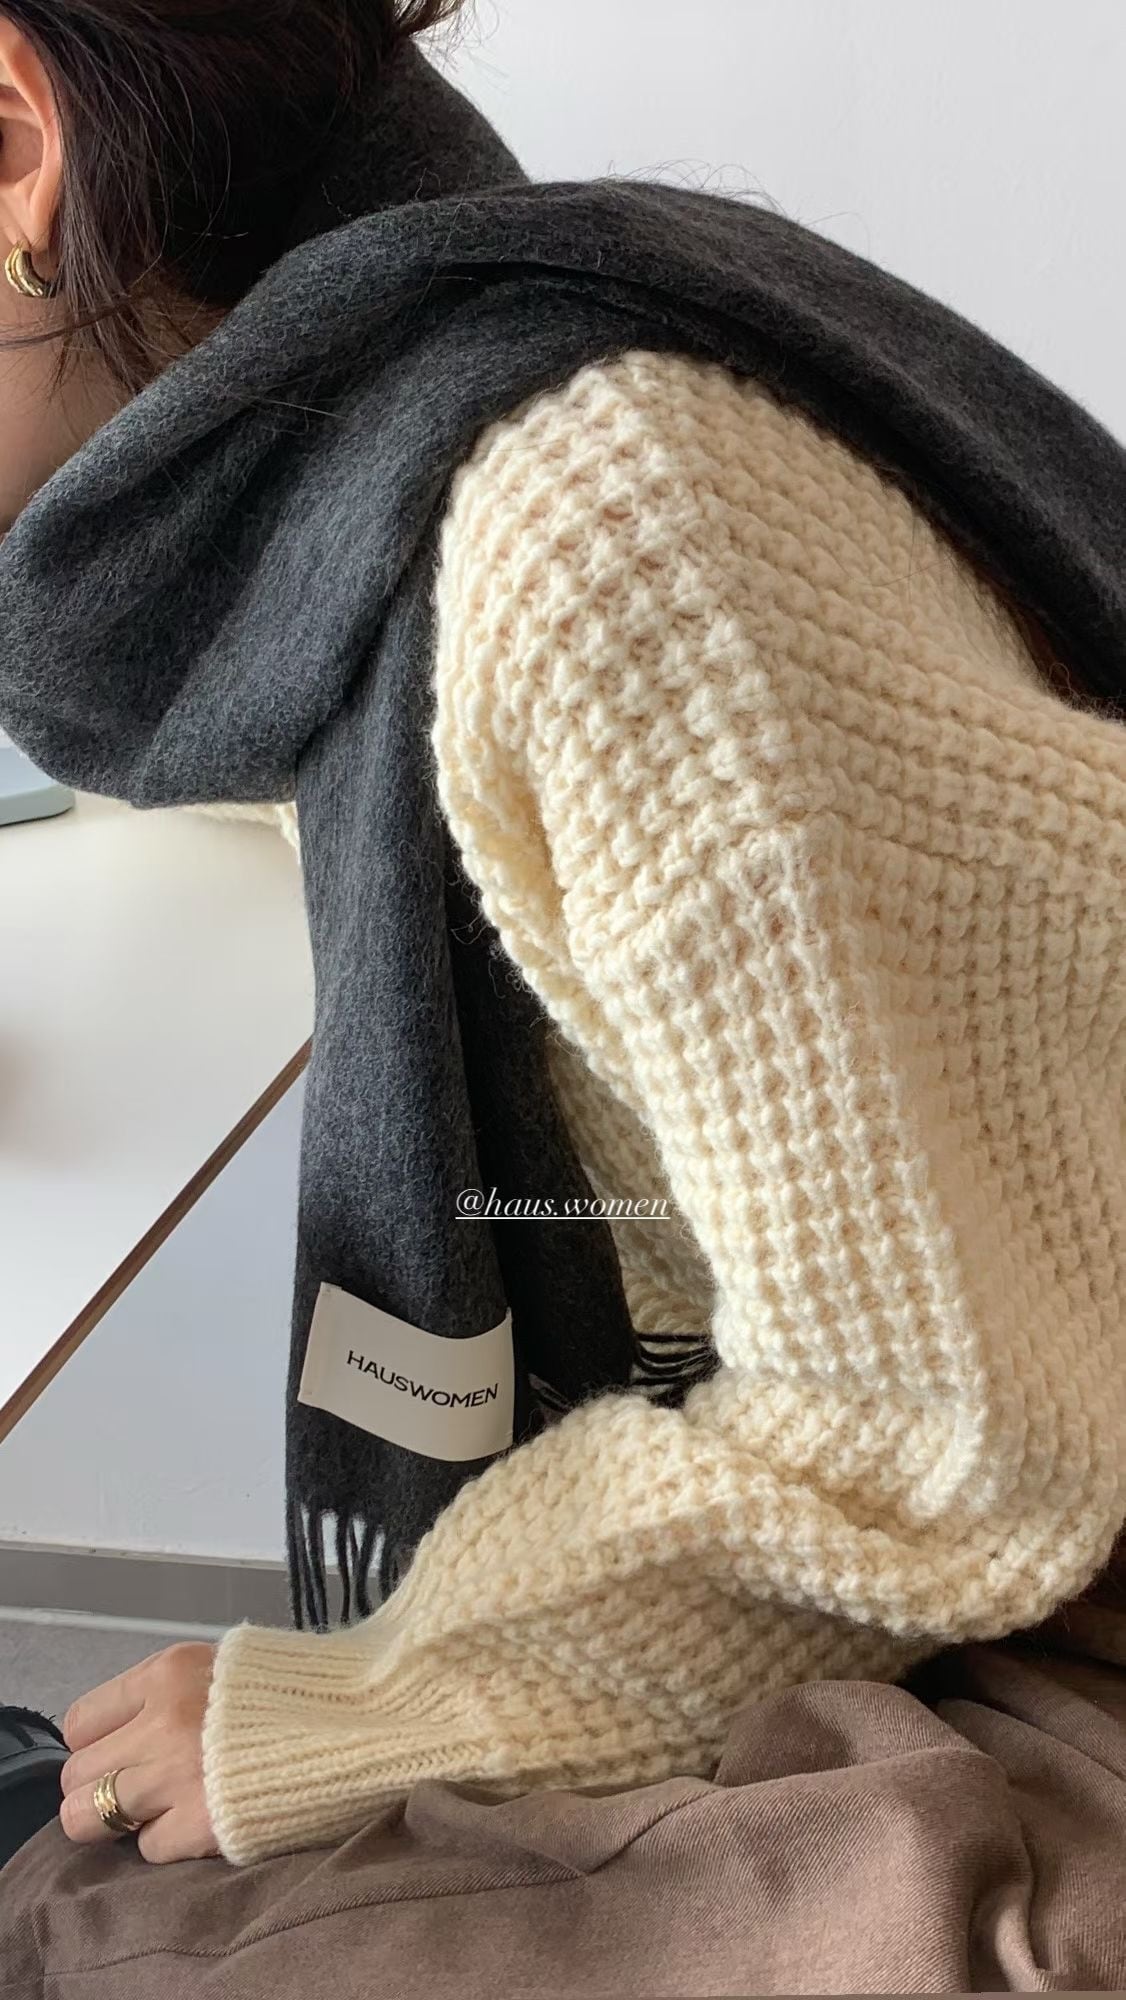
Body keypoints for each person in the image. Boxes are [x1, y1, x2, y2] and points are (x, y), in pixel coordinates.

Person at [0, 0, 1123, 1947]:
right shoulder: (424, 400)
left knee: (80, 1925)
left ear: (16, 145)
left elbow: (948, 1440)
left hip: (1032, 1559)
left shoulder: (601, 528)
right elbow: (357, 769)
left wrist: (372, 1701)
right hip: (962, 1456)